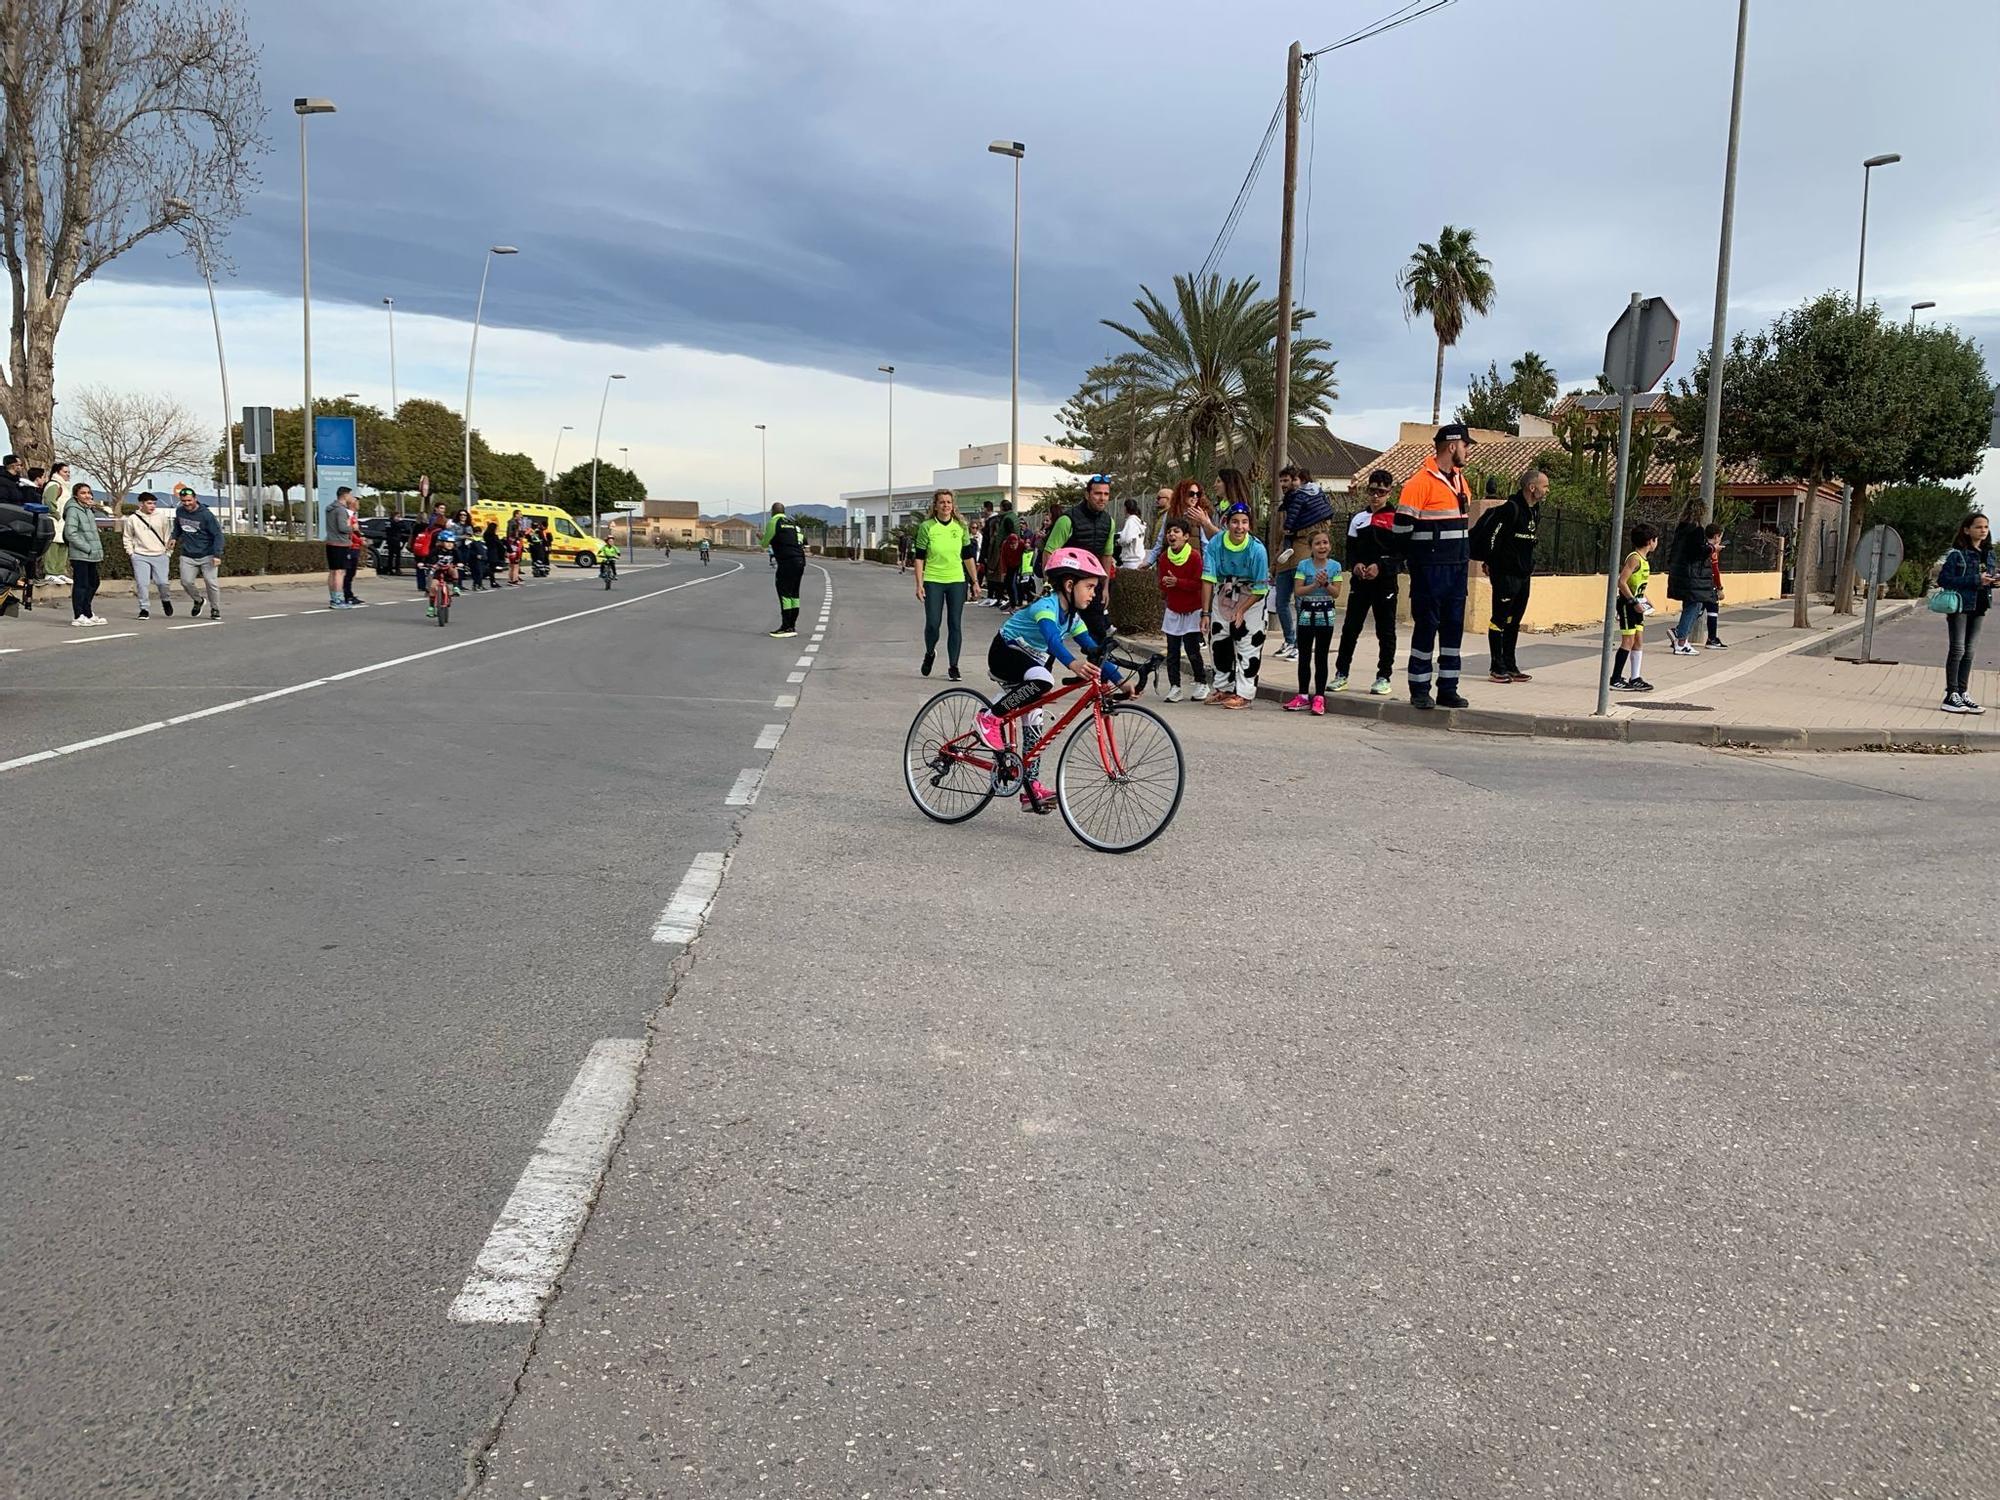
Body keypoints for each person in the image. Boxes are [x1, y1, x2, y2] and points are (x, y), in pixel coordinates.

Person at [972, 548, 1125, 814]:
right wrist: (1072, 664)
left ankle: (1030, 789)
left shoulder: (1074, 619)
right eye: (1089, 587)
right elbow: (1052, 640)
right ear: (1069, 585)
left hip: (1028, 665)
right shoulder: (1046, 607)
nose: (1094, 594)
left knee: (1035, 722)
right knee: (1044, 678)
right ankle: (990, 718)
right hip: (1004, 653)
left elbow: (1092, 649)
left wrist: (1123, 682)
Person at [1394, 424, 1476, 710]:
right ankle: (1419, 688)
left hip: (1456, 568)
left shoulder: (1460, 481)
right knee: (1426, 628)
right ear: (1452, 446)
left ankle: (1448, 689)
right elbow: (1401, 529)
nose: (1468, 451)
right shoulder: (1419, 483)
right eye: (1466, 446)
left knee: (1453, 630)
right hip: (1429, 569)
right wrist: (1411, 562)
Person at [1471, 465, 1546, 683]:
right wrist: (1490, 561)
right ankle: (1497, 666)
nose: (1547, 490)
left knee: (1515, 620)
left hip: (1523, 574)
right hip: (1505, 574)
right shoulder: (1510, 509)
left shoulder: (1534, 510)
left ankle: (1510, 663)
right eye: (1545, 486)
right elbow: (1494, 538)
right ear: (1532, 488)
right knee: (1500, 619)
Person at [1333, 469, 1401, 695]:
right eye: (1372, 491)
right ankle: (1341, 674)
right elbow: (1350, 551)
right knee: (1350, 629)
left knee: (1386, 631)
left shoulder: (1397, 519)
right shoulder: (1358, 519)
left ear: (1389, 492)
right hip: (1360, 583)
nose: (1376, 496)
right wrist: (1356, 565)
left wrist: (1380, 567)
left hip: (1385, 584)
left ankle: (1384, 676)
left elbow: (1400, 555)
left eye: (1381, 492)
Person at [1201, 500, 1271, 709]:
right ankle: (1223, 687)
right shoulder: (1216, 544)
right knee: (1218, 639)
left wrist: (1241, 609)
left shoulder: (1257, 550)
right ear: (1226, 523)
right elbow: (1208, 579)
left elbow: (1260, 589)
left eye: (1244, 522)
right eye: (1234, 522)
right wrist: (1205, 613)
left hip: (1251, 598)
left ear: (1249, 525)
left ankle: (1245, 693)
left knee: (1248, 644)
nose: (1239, 527)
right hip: (1224, 592)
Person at [1040, 476, 1118, 647]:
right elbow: (1049, 552)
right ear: (1087, 494)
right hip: (1066, 586)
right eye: (1097, 493)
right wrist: (1049, 583)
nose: (1102, 498)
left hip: (1092, 585)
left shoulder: (1109, 522)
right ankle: (1043, 671)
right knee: (1053, 636)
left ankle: (1095, 672)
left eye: (1106, 494)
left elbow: (1107, 555)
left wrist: (1104, 587)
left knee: (1097, 635)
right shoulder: (1067, 520)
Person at [1271, 464, 1334, 662]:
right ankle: (1289, 640)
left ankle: (1300, 644)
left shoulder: (1311, 502)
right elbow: (1279, 534)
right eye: (1281, 481)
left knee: (1301, 603)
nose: (1284, 485)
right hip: (1284, 558)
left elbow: (1320, 532)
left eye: (1288, 480)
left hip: (1301, 556)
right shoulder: (1284, 505)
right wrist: (1274, 560)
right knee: (1280, 602)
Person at [913, 488, 978, 679]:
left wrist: (974, 581)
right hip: (933, 579)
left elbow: (967, 556)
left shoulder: (960, 527)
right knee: (933, 623)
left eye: (949, 502)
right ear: (935, 506)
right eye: (942, 502)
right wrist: (919, 583)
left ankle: (953, 666)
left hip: (957, 580)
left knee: (955, 624)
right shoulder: (927, 527)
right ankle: (930, 652)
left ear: (953, 505)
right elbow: (919, 558)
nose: (946, 505)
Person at [1145, 515, 1207, 703]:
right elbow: (1163, 583)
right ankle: (1175, 687)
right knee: (1172, 651)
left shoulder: (1195, 556)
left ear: (1186, 536)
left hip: (1192, 610)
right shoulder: (1164, 558)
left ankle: (1202, 682)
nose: (1172, 535)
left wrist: (1177, 582)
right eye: (1169, 532)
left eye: (1176, 532)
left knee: (1192, 649)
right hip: (1173, 609)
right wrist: (1166, 584)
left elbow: (1198, 584)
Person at [1938, 512, 1996, 714]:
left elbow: (1987, 578)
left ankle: (1963, 692)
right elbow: (1944, 580)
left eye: (1986, 527)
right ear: (1966, 529)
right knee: (1958, 649)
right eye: (1978, 527)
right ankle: (1950, 694)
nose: (1983, 530)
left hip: (1980, 605)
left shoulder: (1989, 554)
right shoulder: (1958, 554)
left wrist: (1993, 581)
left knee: (1970, 651)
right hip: (1960, 605)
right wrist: (1975, 580)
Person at [1284, 531, 1342, 714]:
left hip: (1326, 613)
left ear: (1330, 546)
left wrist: (1325, 584)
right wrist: (1315, 585)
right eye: (1317, 543)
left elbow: (1336, 593)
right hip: (1307, 611)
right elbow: (1298, 591)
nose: (1322, 546)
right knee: (1304, 655)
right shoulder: (1303, 565)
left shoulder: (1335, 566)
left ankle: (1319, 696)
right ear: (1311, 547)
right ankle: (1302, 695)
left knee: (1321, 656)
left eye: (1325, 542)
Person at [1610, 522, 1659, 692]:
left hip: (1637, 603)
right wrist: (1633, 602)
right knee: (1628, 640)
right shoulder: (1634, 558)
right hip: (1627, 604)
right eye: (1655, 539)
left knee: (1638, 640)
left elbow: (1637, 586)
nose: (1656, 543)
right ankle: (1615, 678)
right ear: (1649, 541)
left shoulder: (1644, 561)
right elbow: (1621, 582)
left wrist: (1646, 600)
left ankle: (1635, 677)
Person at [1662, 505, 1712, 656]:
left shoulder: (1681, 529)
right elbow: (1697, 553)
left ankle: (1681, 634)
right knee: (1695, 603)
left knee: (1690, 604)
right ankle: (1681, 638)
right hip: (1691, 575)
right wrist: (1711, 549)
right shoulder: (1696, 531)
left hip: (1679, 573)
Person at [173, 485, 225, 620]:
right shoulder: (180, 512)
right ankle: (198, 600)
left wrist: (217, 554)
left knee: (210, 581)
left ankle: (215, 608)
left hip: (207, 554)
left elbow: (218, 535)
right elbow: (178, 527)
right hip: (187, 554)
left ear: (195, 499)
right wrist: (174, 537)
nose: (187, 504)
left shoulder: (206, 515)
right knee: (185, 582)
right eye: (184, 501)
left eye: (189, 500)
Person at [122, 491, 176, 619]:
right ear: (141, 504)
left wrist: (168, 552)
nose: (152, 506)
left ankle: (166, 600)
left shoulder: (161, 516)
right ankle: (144, 608)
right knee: (142, 583)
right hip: (140, 555)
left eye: (154, 503)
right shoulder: (133, 519)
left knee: (162, 582)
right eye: (149, 503)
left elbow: (168, 535)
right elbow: (127, 537)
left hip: (160, 554)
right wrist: (131, 553)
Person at [62, 479, 108, 626]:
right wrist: (87, 548)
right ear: (76, 496)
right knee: (81, 584)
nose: (87, 495)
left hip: (91, 555)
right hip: (81, 554)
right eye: (83, 493)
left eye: (89, 493)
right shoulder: (73, 510)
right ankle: (79, 615)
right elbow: (71, 533)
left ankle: (87, 612)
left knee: (93, 582)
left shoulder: (87, 510)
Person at [763, 502, 807, 637]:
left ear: (772, 512)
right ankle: (792, 625)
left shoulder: (774, 521)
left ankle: (786, 627)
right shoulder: (793, 523)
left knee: (784, 593)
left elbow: (765, 543)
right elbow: (801, 541)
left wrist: (762, 539)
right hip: (800, 560)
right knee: (794, 593)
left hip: (787, 562)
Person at [323, 486, 359, 609]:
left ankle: (334, 598)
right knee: (339, 572)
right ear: (345, 496)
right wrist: (353, 528)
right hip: (340, 543)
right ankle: (338, 600)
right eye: (350, 495)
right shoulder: (341, 510)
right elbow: (342, 528)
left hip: (331, 542)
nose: (351, 498)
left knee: (333, 571)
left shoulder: (330, 508)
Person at [1154, 478, 1218, 546]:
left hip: (1194, 555)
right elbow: (1160, 542)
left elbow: (1205, 544)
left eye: (1198, 494)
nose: (1195, 497)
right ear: (1182, 494)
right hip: (1172, 555)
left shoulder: (1201, 515)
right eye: (1191, 493)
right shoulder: (1170, 514)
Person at [41, 461, 71, 585]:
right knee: (52, 546)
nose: (68, 474)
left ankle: (59, 572)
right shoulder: (54, 485)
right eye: (65, 472)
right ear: (57, 472)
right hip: (55, 520)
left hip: (64, 521)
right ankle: (50, 572)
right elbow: (49, 501)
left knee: (63, 546)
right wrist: (56, 514)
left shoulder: (65, 486)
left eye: (69, 472)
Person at [1702, 525, 1728, 648]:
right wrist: (1719, 587)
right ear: (1716, 536)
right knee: (1712, 609)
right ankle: (1712, 638)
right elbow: (1715, 570)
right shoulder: (1711, 551)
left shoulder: (1702, 546)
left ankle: (1680, 632)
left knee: (1698, 610)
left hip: (1701, 583)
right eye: (1720, 536)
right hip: (1708, 585)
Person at [1116, 497, 1146, 571]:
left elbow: (1126, 539)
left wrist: (1118, 541)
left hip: (1130, 559)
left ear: (1126, 509)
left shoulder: (1130, 521)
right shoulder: (1138, 522)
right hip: (1138, 558)